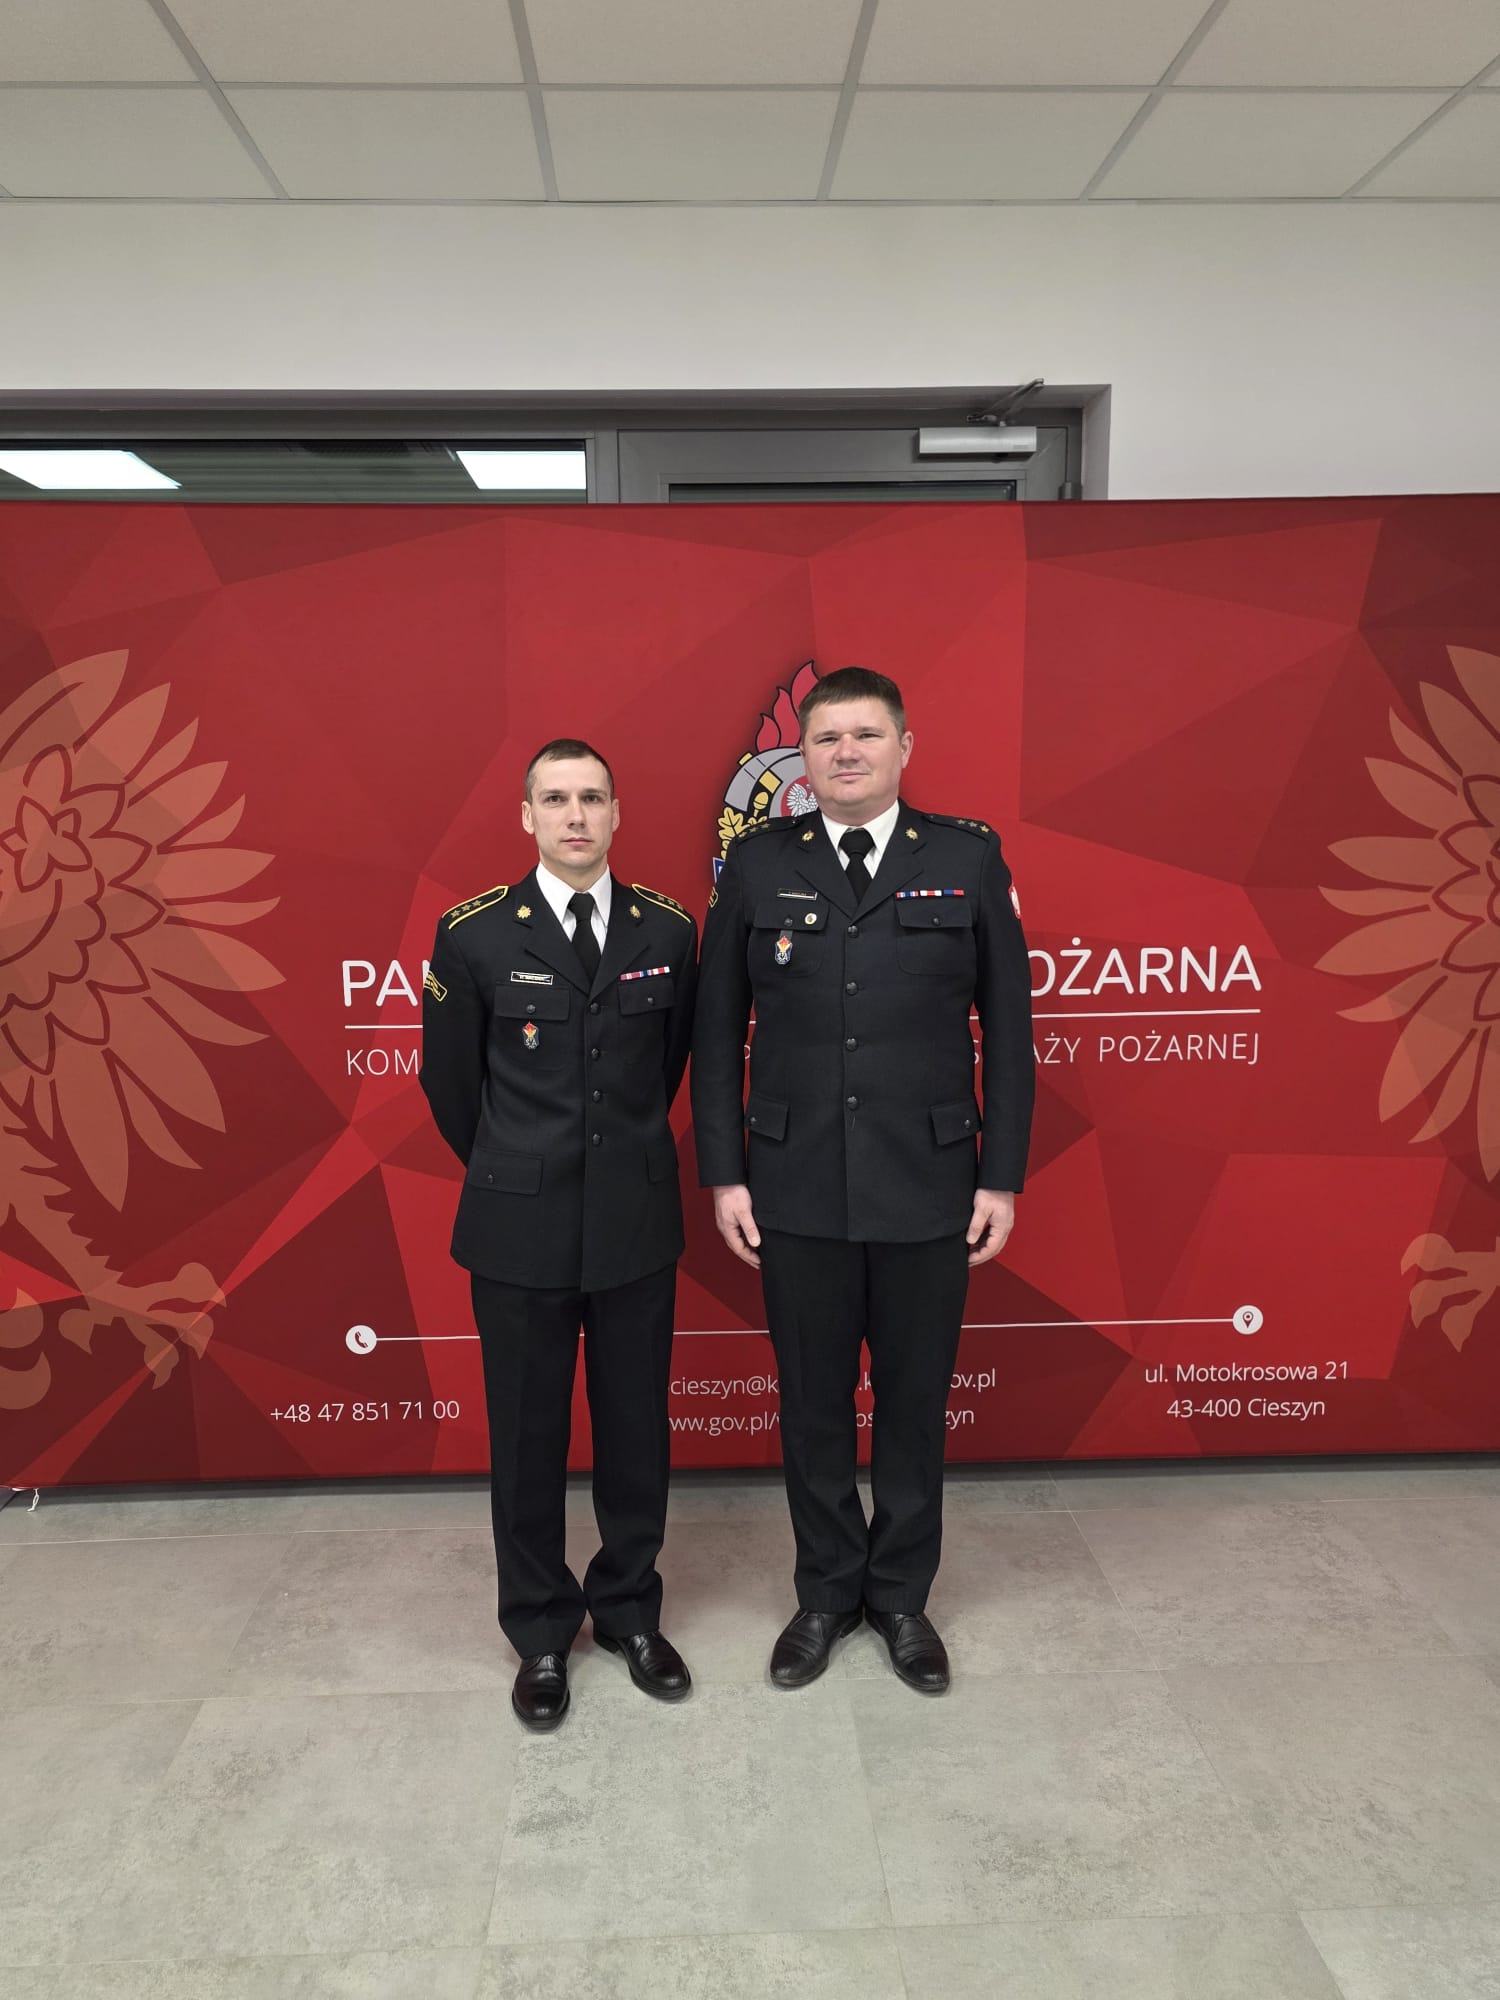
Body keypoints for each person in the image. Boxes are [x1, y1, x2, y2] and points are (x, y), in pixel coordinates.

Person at [692, 667, 1033, 1694]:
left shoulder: (966, 858)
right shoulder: (759, 863)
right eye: (828, 737)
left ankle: (902, 1598)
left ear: (904, 747)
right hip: (793, 1181)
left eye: (866, 734)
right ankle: (827, 1591)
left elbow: (1009, 1031)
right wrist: (725, 1174)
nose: (846, 752)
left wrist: (1001, 1178)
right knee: (812, 1403)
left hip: (930, 1180)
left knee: (915, 1402)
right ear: (803, 756)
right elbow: (716, 1030)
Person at [421, 739, 697, 1730]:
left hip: (633, 1222)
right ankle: (540, 1629)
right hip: (518, 1227)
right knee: (527, 1438)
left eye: (591, 797)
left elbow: (667, 1067)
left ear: (617, 813)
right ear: (526, 816)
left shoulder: (669, 928)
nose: (575, 815)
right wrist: (517, 1164)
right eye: (555, 798)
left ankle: (629, 1611)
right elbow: (452, 1087)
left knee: (636, 1432)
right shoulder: (474, 934)